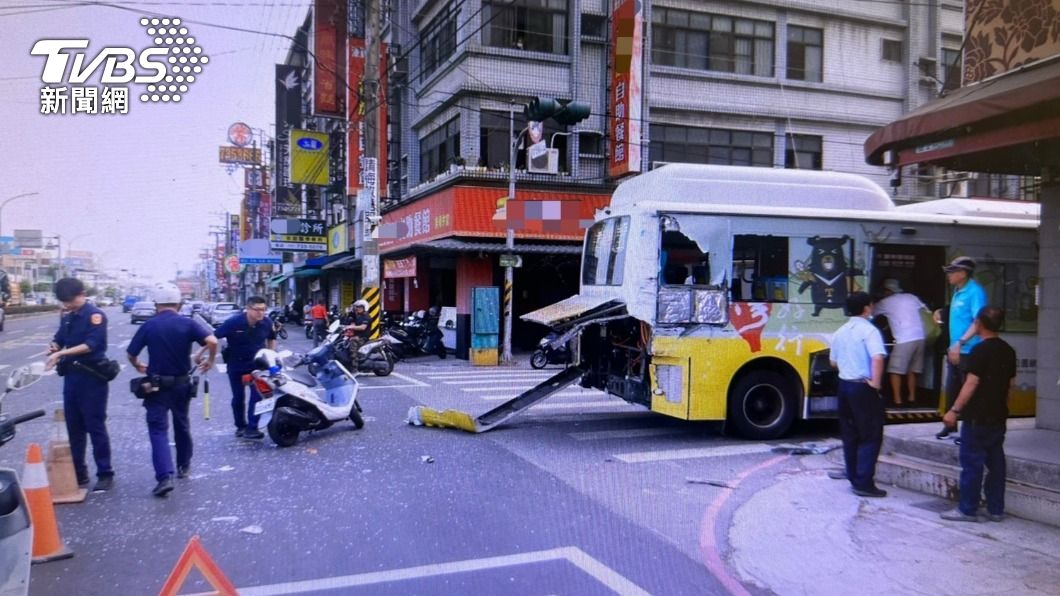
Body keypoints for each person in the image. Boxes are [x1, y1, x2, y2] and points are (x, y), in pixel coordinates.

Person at [126, 285, 217, 497]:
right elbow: (212, 341)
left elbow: (131, 354)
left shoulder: (149, 326)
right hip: (181, 384)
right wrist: (209, 360)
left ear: (156, 305)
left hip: (156, 386)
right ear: (179, 304)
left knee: (158, 429)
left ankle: (164, 476)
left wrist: (138, 364)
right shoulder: (187, 323)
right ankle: (184, 465)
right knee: (182, 423)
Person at [939, 306, 1016, 523]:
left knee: (972, 463)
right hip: (998, 416)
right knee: (996, 464)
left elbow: (972, 383)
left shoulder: (979, 351)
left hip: (977, 417)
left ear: (979, 324)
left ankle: (967, 509)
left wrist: (954, 411)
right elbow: (1011, 385)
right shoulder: (1008, 350)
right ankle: (996, 509)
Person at [45, 278, 115, 492]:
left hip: (91, 377)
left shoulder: (95, 316)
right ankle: (78, 471)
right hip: (72, 378)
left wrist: (61, 353)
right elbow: (59, 338)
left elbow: (90, 345)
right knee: (74, 427)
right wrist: (54, 346)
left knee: (95, 426)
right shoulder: (68, 316)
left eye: (70, 301)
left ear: (82, 294)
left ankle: (105, 472)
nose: (67, 305)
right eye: (64, 302)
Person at [829, 291, 888, 498]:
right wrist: (876, 384)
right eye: (871, 305)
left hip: (844, 385)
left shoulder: (840, 331)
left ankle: (854, 476)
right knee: (871, 435)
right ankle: (864, 482)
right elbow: (877, 358)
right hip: (863, 386)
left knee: (850, 433)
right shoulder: (869, 331)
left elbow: (833, 362)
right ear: (866, 308)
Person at [934, 257, 987, 440]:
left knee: (968, 391)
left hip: (969, 350)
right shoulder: (958, 291)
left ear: (963, 273)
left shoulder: (975, 292)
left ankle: (968, 431)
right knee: (952, 389)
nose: (948, 275)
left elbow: (978, 320)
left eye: (952, 271)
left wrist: (961, 343)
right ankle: (950, 425)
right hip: (955, 349)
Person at [214, 297, 276, 439]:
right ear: (248, 309)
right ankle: (240, 426)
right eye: (257, 310)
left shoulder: (266, 323)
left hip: (257, 365)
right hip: (236, 364)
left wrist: (271, 355)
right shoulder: (233, 323)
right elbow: (213, 337)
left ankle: (252, 428)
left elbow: (272, 339)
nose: (261, 313)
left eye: (263, 309)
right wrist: (202, 354)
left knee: (258, 396)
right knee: (238, 397)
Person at [873, 278, 929, 406]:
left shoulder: (886, 302)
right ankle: (912, 398)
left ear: (887, 291)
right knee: (912, 370)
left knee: (895, 370)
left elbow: (870, 313)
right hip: (921, 337)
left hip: (905, 339)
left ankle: (897, 401)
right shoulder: (911, 297)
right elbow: (926, 311)